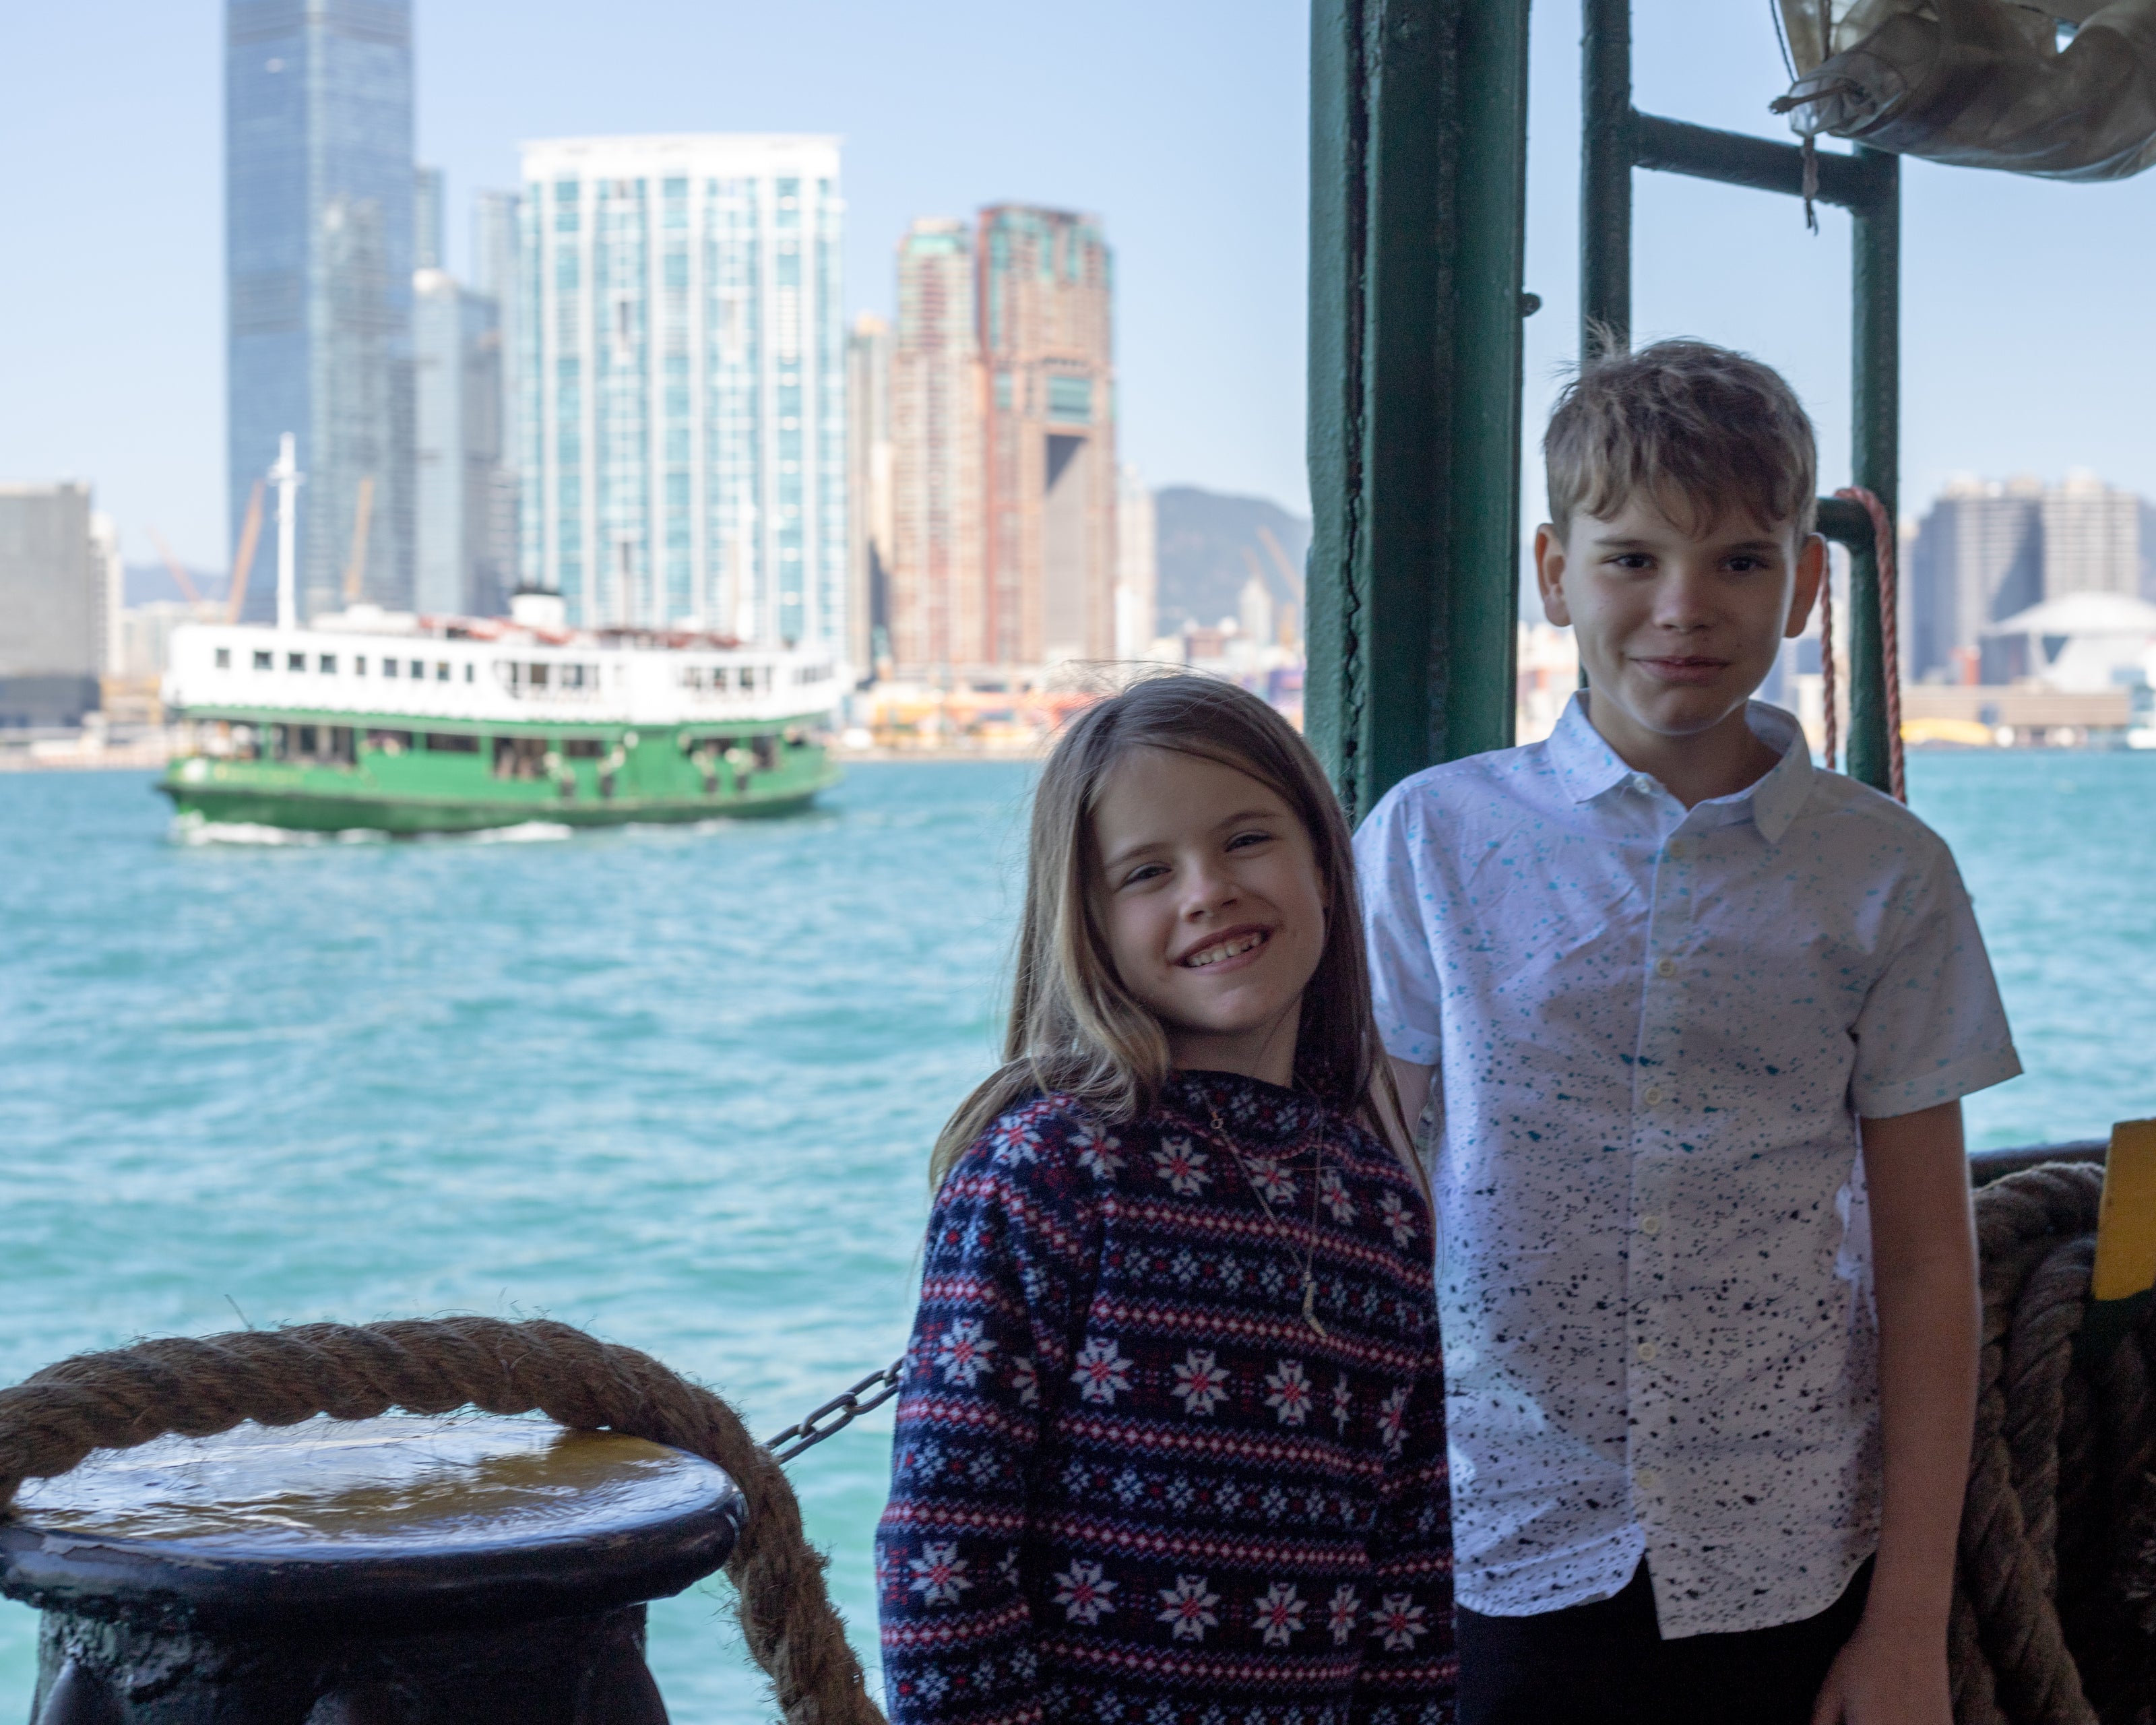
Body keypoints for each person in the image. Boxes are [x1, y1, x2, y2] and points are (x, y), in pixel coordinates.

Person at [1354, 340, 2019, 1725]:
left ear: (1805, 581)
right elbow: (1367, 1198)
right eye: (1630, 558)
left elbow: (1923, 1257)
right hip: (1489, 1535)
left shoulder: (1887, 871)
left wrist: (1904, 1627)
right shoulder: (1430, 837)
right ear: (1552, 572)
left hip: (1789, 1548)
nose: (1682, 606)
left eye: (1737, 561)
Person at [877, 673, 1456, 1725]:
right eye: (1149, 871)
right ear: (1087, 926)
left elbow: (1408, 1577)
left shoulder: (1379, 1202)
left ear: (1328, 867)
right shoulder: (1048, 1173)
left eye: (1246, 842)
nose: (1208, 891)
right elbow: (941, 1553)